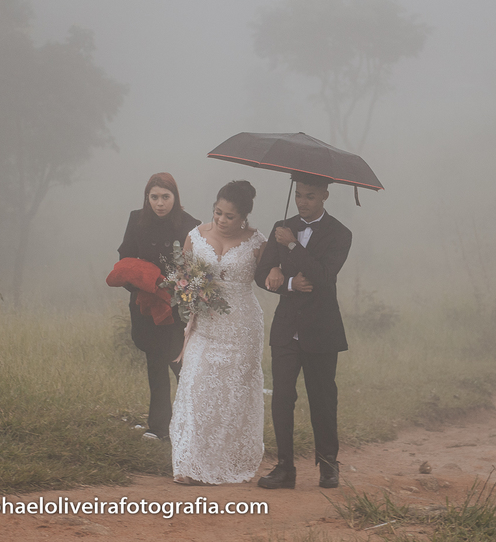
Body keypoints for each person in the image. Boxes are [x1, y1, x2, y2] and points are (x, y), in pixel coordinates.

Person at [255, 173, 352, 490]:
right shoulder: (281, 227)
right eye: (298, 194)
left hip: (322, 330)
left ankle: (327, 466)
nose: (302, 201)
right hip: (286, 329)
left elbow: (323, 276)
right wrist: (284, 277)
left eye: (310, 196)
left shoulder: (340, 233)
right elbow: (260, 274)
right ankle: (284, 468)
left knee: (322, 399)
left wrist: (292, 246)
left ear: (324, 195)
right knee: (282, 397)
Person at [169, 180, 267, 485]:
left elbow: (267, 279)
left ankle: (225, 461)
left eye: (230, 216)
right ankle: (189, 464)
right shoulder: (195, 237)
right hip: (205, 324)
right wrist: (190, 291)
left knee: (232, 395)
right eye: (218, 212)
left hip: (242, 326)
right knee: (196, 388)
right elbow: (180, 275)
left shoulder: (257, 243)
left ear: (244, 217)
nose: (222, 220)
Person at [116, 172, 199, 441]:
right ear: (147, 197)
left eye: (166, 197)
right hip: (145, 302)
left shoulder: (190, 225)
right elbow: (125, 256)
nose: (160, 203)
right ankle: (158, 427)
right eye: (154, 197)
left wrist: (175, 289)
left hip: (177, 306)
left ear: (175, 197)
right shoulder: (136, 220)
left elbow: (196, 267)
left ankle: (192, 423)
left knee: (180, 364)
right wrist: (141, 284)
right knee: (154, 362)